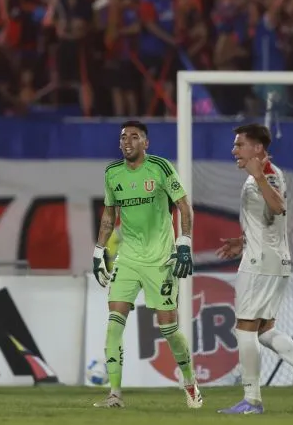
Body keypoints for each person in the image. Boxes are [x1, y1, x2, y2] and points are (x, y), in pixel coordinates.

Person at [215, 123, 293, 415]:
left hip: (261, 265)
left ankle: (252, 401)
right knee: (265, 331)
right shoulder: (266, 175)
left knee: (244, 330)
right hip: (267, 259)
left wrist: (259, 178)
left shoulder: (265, 176)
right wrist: (242, 242)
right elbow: (269, 221)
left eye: (240, 145)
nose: (234, 151)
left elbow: (278, 208)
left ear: (258, 148)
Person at [92, 120, 201, 409]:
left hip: (160, 260)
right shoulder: (112, 173)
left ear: (146, 143)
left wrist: (185, 243)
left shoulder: (161, 168)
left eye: (134, 136)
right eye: (123, 137)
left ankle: (190, 384)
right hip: (128, 259)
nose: (127, 141)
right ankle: (114, 394)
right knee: (114, 322)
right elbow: (108, 214)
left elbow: (184, 206)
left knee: (168, 329)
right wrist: (98, 250)